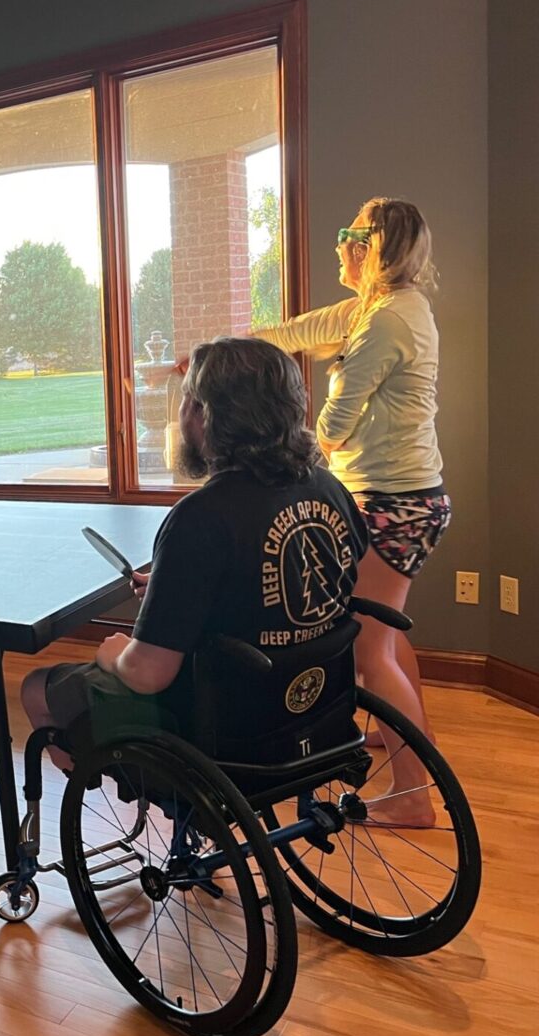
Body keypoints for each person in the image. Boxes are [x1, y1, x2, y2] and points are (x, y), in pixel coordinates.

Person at [21, 338, 392, 812]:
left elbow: (149, 674)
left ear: (206, 415)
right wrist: (175, 589)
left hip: (228, 735)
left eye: (188, 400)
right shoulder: (329, 489)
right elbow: (295, 588)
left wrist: (114, 654)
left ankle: (105, 776)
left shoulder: (199, 518)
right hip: (318, 714)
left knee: (38, 687)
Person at [247, 197, 446, 825]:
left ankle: (414, 796)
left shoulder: (388, 320)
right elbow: (295, 332)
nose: (337, 246)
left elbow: (333, 425)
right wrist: (225, 353)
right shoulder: (371, 310)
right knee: (385, 640)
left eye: (346, 235)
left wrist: (282, 439)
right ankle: (406, 739)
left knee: (366, 655)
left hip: (394, 503)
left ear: (373, 246)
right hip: (397, 498)